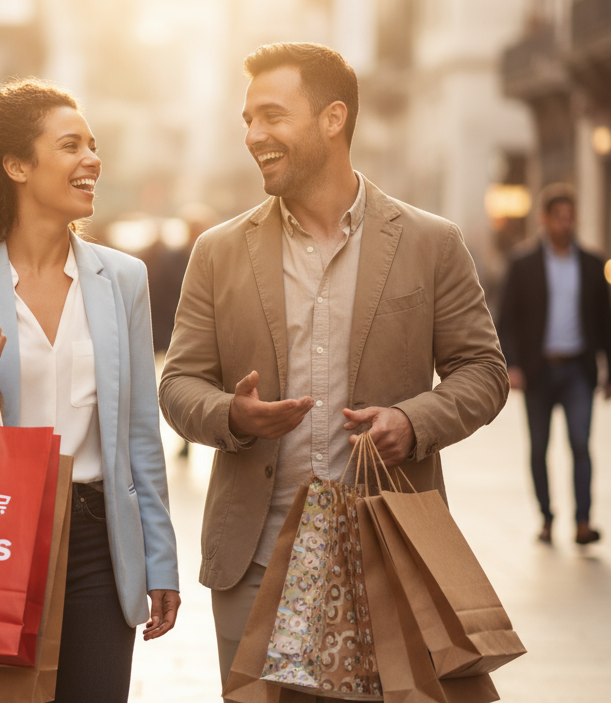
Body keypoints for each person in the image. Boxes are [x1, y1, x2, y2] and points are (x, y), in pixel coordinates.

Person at [157, 42, 508, 696]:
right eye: (247, 120)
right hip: (257, 561)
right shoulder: (219, 252)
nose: (254, 136)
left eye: (271, 116)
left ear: (332, 118)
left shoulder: (431, 243)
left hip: (386, 555)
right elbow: (178, 386)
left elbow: (482, 371)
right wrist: (232, 414)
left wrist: (413, 419)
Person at [0, 79, 181, 703]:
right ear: (16, 165)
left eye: (93, 145)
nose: (92, 160)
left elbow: (141, 430)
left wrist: (158, 558)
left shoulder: (123, 279)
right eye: (70, 146)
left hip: (96, 541)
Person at [498, 183, 611, 546]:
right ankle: (547, 517)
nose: (565, 224)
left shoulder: (593, 264)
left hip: (577, 370)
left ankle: (583, 522)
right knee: (539, 448)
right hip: (538, 371)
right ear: (544, 219)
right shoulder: (523, 265)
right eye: (558, 217)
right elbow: (506, 321)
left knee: (580, 444)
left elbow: (606, 321)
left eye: (570, 217)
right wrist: (511, 365)